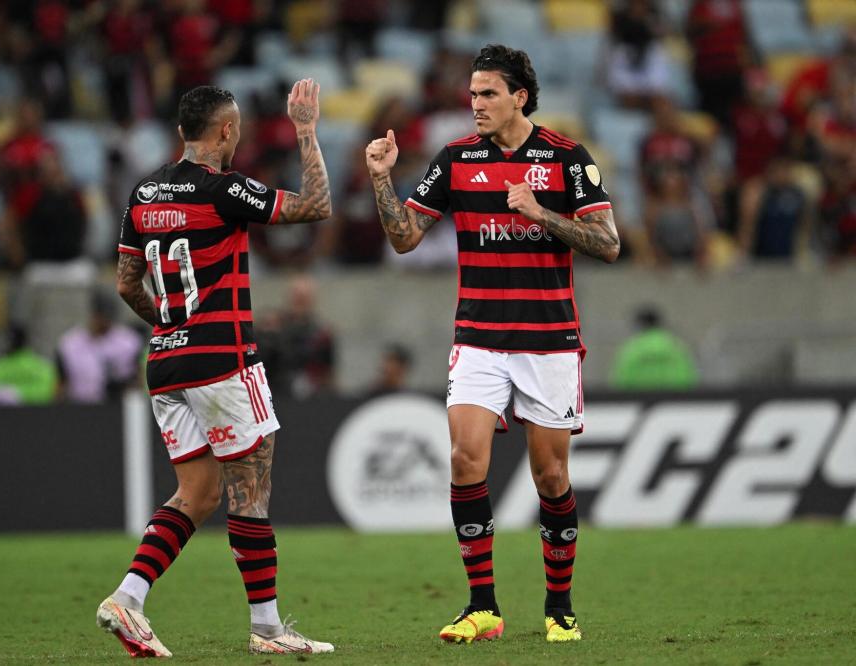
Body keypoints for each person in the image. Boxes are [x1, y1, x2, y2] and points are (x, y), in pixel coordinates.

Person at [366, 44, 620, 645]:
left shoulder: (566, 159)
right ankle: (483, 605)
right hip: (479, 336)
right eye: (472, 93)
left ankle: (560, 607)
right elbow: (404, 238)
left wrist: (541, 213)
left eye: (487, 94)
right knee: (463, 460)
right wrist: (381, 180)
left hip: (548, 340)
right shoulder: (455, 159)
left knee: (550, 477)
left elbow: (608, 243)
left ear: (519, 97)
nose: (474, 104)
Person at [97, 81, 334, 657]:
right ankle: (268, 630)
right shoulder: (223, 189)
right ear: (227, 131)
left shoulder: (144, 193)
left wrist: (173, 326)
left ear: (182, 132)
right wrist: (305, 129)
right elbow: (315, 205)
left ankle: (127, 598)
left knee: (196, 492)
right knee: (250, 493)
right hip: (224, 361)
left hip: (167, 362)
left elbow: (126, 282)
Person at [56, 289, 142, 404]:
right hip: (79, 406)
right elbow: (62, 381)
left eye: (107, 315)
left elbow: (137, 379)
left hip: (117, 405)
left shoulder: (128, 341)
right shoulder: (70, 343)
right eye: (100, 315)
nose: (103, 320)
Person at [609, 306, 698, 390]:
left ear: (640, 324)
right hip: (674, 401)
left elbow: (621, 379)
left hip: (639, 400)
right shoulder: (675, 346)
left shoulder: (632, 348)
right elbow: (689, 376)